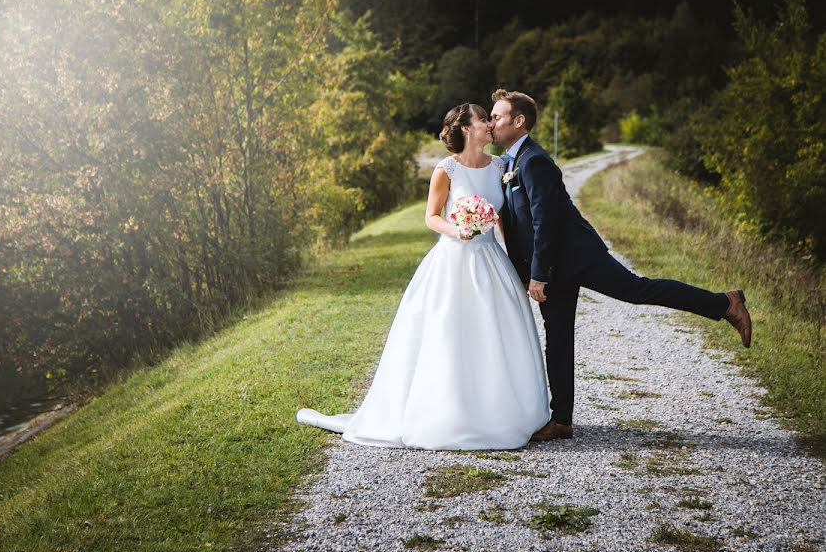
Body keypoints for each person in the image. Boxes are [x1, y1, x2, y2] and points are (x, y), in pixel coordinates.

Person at [488, 88, 753, 442]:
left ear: (518, 121)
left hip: (577, 258)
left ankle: (725, 303)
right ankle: (561, 419)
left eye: (497, 116)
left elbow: (543, 223)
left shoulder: (534, 161)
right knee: (558, 339)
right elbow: (516, 226)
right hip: (553, 268)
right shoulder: (509, 163)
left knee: (637, 290)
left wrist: (537, 274)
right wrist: (526, 272)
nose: (491, 122)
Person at [296, 103, 550, 450]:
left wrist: (519, 268)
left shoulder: (502, 167)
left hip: (491, 260)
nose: (490, 124)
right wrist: (456, 229)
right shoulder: (446, 170)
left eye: (492, 119)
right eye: (483, 119)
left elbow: (505, 223)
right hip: (453, 260)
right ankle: (449, 413)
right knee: (449, 335)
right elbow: (431, 216)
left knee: (495, 334)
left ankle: (499, 409)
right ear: (465, 128)